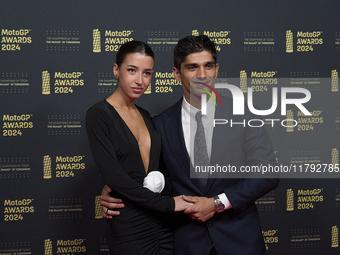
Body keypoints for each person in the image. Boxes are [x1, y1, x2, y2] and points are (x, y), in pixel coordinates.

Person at [100, 35, 280, 255]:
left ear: (217, 69)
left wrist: (216, 203)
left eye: (208, 66)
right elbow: (150, 176)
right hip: (186, 242)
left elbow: (268, 173)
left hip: (239, 240)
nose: (202, 75)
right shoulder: (158, 125)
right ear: (177, 74)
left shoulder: (244, 114)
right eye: (192, 67)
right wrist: (114, 191)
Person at [86, 40, 192, 255]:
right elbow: (114, 175)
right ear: (116, 70)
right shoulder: (99, 114)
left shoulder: (145, 115)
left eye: (147, 73)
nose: (140, 80)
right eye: (132, 70)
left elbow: (161, 166)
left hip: (163, 223)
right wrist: (170, 205)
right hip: (129, 222)